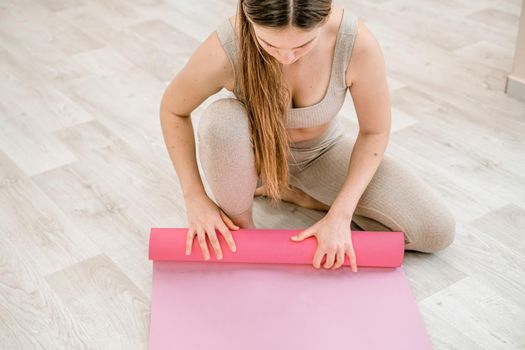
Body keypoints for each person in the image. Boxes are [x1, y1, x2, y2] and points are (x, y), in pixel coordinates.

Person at [159, 0, 456, 272]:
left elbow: (374, 131)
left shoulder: (355, 43)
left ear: (324, 17)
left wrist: (341, 215)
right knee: (220, 120)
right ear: (249, 19)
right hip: (253, 159)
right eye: (270, 44)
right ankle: (245, 224)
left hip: (321, 154)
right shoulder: (227, 46)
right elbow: (173, 110)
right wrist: (195, 198)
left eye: (303, 45)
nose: (287, 58)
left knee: (435, 230)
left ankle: (294, 192)